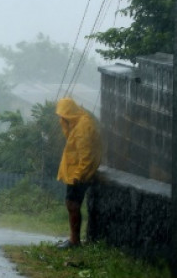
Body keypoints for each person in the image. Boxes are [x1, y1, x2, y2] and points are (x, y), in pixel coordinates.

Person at [55, 96, 102, 249]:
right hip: (75, 171)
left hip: (79, 174)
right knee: (71, 204)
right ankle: (73, 239)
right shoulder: (77, 122)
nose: (62, 119)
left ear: (69, 112)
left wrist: (79, 175)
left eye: (63, 115)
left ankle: (74, 241)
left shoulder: (82, 127)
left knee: (72, 205)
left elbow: (86, 155)